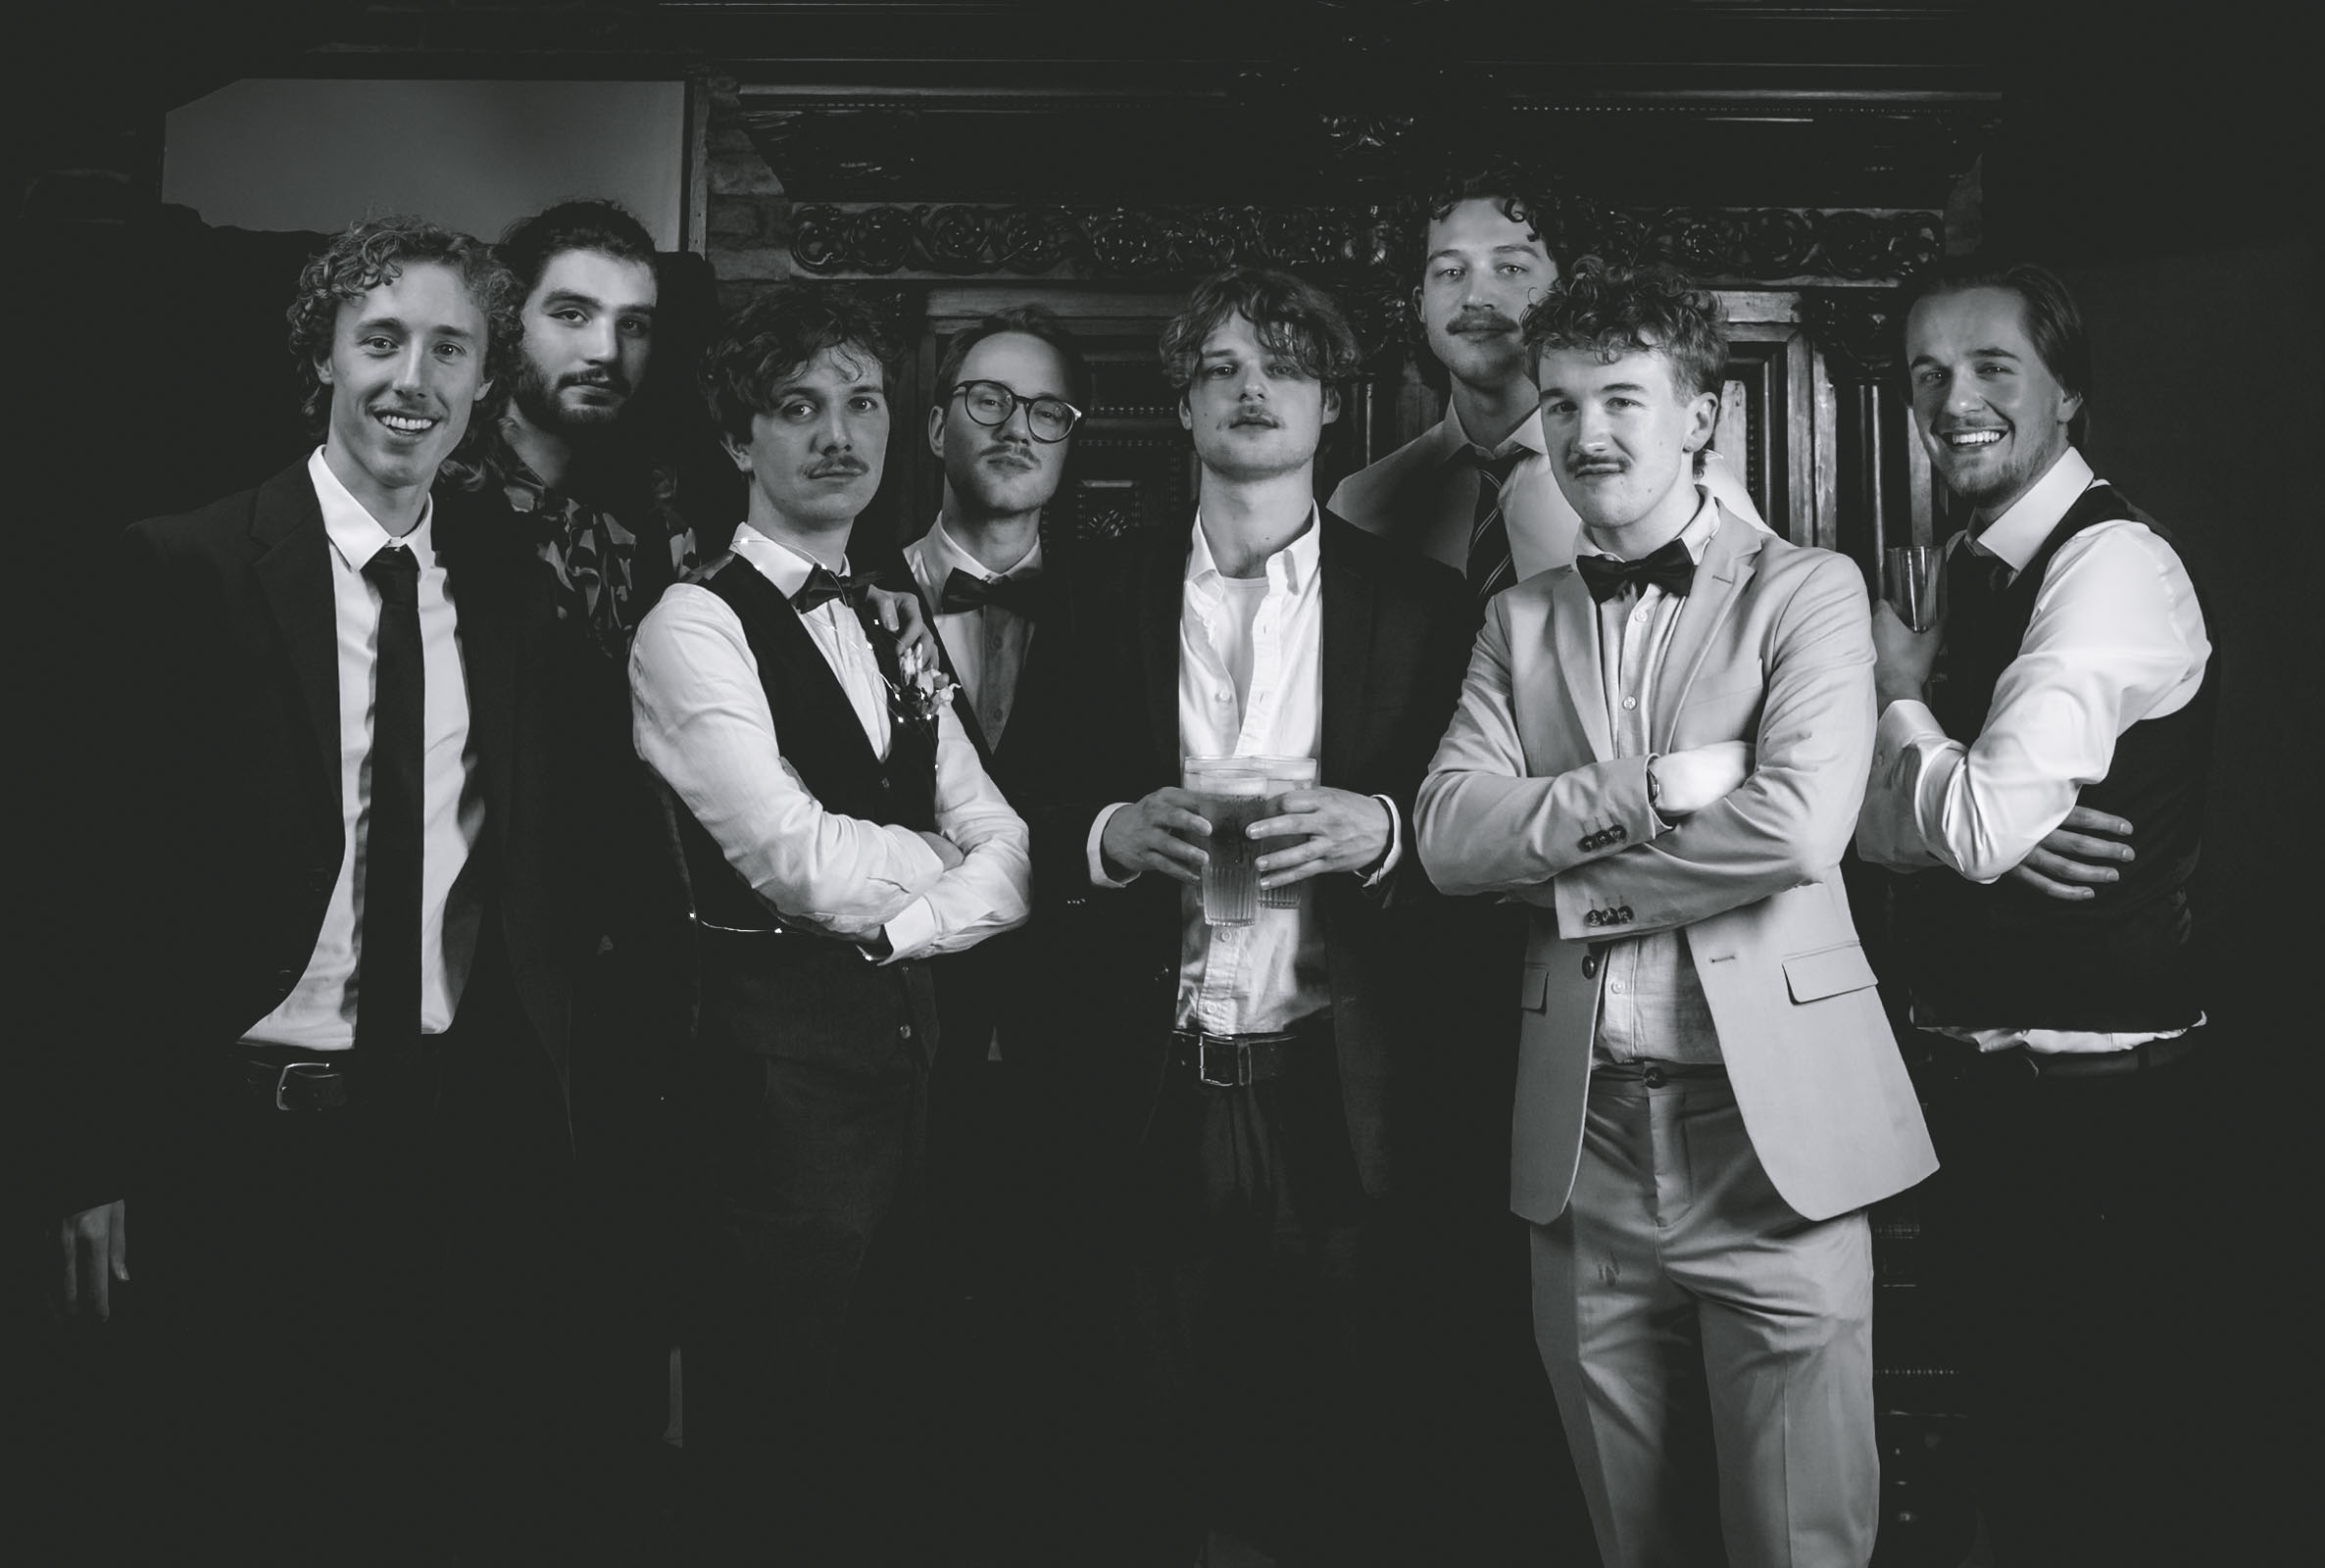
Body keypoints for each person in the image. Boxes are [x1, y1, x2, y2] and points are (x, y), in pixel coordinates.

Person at [59, 215, 587, 1559]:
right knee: (232, 1509)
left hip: (454, 1145)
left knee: (424, 1504)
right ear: (324, 358)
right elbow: (83, 894)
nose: (413, 378)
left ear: (484, 380)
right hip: (237, 1144)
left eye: (449, 348)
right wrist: (88, 1160)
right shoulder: (177, 567)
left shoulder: (510, 592)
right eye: (381, 341)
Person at [1416, 259, 1935, 1568]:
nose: (1585, 433)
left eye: (1622, 400)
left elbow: (1795, 830)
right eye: (1561, 403)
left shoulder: (1808, 590)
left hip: (1774, 1144)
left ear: (1701, 414)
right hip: (1581, 1146)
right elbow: (1449, 837)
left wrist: (1568, 883)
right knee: (1622, 1542)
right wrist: (1649, 788)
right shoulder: (1515, 620)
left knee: (1799, 1544)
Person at [1015, 266, 1474, 1566]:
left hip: (1340, 1089)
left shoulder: (1424, 603)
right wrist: (1108, 835)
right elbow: (1021, 801)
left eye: (1281, 365)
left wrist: (1383, 830)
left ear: (1330, 404)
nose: (1250, 387)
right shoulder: (1093, 588)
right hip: (1144, 1083)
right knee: (1137, 1458)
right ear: (1182, 407)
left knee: (1338, 1463)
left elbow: (1479, 832)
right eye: (1220, 367)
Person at [628, 281, 1031, 1562]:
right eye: (798, 407)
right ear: (738, 438)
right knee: (769, 1450)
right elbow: (795, 863)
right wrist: (949, 867)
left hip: (921, 1086)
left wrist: (916, 911)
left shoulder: (894, 612)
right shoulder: (692, 622)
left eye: (861, 402)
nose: (839, 434)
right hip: (767, 1102)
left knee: (897, 1436)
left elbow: (1015, 851)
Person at [1855, 259, 2221, 1566]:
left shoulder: (2108, 563)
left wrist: (1901, 703)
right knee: (2014, 1465)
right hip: (1986, 1093)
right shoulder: (1976, 563)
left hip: (2091, 1111)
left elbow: (1959, 825)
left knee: (2090, 1483)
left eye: (1990, 367)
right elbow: (1874, 834)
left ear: (2066, 392)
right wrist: (1968, 829)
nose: (1952, 399)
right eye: (1927, 374)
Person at [1329, 169, 1766, 600]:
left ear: (1565, 289)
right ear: (1419, 304)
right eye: (1451, 271)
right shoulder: (1358, 506)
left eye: (1510, 267)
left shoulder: (1685, 487)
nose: (1476, 297)